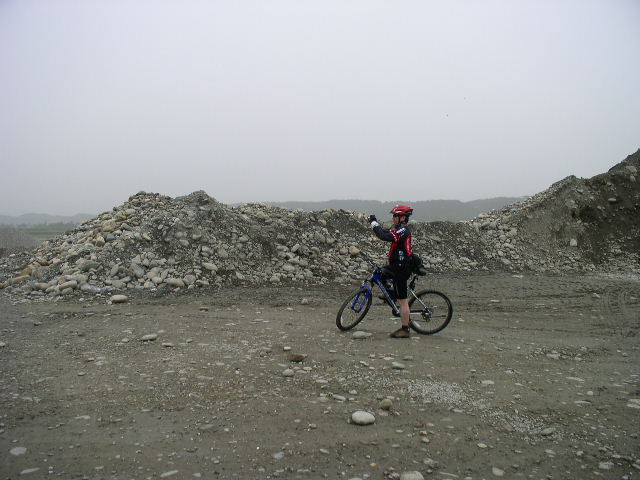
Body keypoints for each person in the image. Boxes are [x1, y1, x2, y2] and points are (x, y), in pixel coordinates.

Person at [368, 205, 414, 338]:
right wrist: (376, 224)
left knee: (403, 301)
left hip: (401, 269)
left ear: (403, 218)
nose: (393, 218)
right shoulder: (399, 229)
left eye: (395, 216)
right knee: (379, 273)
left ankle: (405, 329)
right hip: (396, 266)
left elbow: (383, 235)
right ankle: (391, 294)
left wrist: (374, 223)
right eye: (393, 216)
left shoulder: (403, 230)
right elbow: (386, 232)